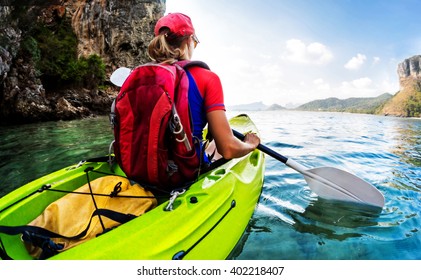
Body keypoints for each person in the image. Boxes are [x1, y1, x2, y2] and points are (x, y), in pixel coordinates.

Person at [148, 12, 260, 165]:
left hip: (142, 168)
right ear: (189, 40)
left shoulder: (142, 77)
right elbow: (228, 148)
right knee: (215, 145)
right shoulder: (207, 78)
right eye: (195, 42)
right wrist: (250, 144)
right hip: (182, 174)